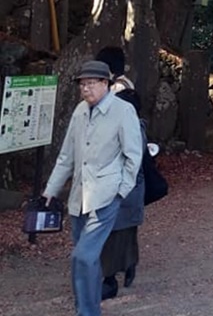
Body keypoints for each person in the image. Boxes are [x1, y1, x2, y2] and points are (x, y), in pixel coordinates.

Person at [41, 59, 143, 316]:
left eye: (90, 84)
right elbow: (67, 156)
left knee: (83, 256)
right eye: (82, 85)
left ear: (105, 84)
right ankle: (86, 305)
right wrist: (51, 189)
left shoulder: (123, 111)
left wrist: (122, 189)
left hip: (107, 195)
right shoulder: (79, 111)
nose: (85, 89)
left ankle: (87, 312)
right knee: (86, 258)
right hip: (79, 195)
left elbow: (133, 154)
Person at [96, 46, 145, 300]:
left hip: (115, 175)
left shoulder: (116, 96)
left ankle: (108, 279)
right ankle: (127, 265)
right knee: (125, 228)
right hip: (131, 178)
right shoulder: (128, 87)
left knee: (111, 229)